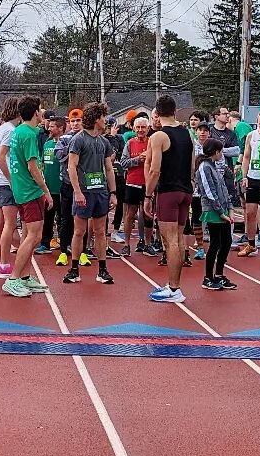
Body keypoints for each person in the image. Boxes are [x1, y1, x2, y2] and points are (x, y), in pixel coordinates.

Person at [142, 95, 195, 303]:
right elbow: (192, 165)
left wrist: (148, 195)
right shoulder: (188, 134)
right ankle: (174, 286)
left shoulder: (158, 137)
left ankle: (174, 288)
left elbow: (154, 170)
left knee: (170, 240)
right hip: (185, 190)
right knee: (179, 239)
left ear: (156, 113)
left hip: (168, 192)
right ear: (175, 111)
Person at [4, 96, 51, 298]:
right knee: (34, 236)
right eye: (40, 109)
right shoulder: (28, 135)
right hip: (30, 191)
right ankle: (13, 279)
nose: (42, 113)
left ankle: (24, 276)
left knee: (28, 235)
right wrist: (46, 191)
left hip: (23, 189)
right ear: (35, 113)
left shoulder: (19, 132)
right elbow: (33, 167)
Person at [64, 103, 116, 286]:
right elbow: (72, 166)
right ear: (96, 119)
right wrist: (77, 191)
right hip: (84, 192)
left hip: (100, 191)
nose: (105, 120)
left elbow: (109, 168)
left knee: (101, 232)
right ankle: (74, 269)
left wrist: (113, 193)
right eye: (103, 117)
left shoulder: (104, 142)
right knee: (79, 231)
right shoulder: (78, 140)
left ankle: (102, 270)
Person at [195, 138, 237, 290]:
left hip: (223, 209)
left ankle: (219, 274)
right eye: (221, 151)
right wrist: (220, 211)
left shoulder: (214, 166)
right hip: (213, 211)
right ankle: (208, 277)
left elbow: (224, 189)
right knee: (215, 243)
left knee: (226, 241)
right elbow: (209, 191)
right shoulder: (204, 167)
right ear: (216, 151)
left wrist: (230, 208)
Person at [0, 96, 21, 279]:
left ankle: (0, 262)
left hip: (1, 179)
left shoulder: (3, 128)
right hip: (6, 181)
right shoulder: (10, 130)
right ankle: (3, 263)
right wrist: (11, 180)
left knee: (1, 222)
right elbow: (1, 157)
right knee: (8, 223)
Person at [237, 110, 260, 256]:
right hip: (253, 177)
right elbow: (246, 156)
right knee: (250, 212)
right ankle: (251, 244)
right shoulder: (251, 135)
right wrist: (244, 176)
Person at [52, 110, 82, 266]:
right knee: (65, 218)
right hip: (67, 183)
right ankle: (63, 250)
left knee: (82, 219)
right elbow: (60, 156)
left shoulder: (88, 137)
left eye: (78, 120)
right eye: (73, 121)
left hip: (83, 185)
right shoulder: (63, 139)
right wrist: (74, 145)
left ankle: (82, 251)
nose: (75, 123)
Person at [120, 116, 152, 254]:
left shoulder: (152, 142)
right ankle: (126, 245)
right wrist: (137, 159)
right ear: (133, 128)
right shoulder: (130, 143)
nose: (140, 130)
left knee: (148, 214)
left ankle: (148, 244)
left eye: (143, 127)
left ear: (148, 129)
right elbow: (123, 163)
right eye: (138, 127)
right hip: (132, 183)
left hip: (149, 183)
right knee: (130, 214)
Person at [36, 113, 65, 254]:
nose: (49, 128)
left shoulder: (66, 143)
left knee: (63, 217)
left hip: (62, 188)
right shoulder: (47, 143)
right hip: (48, 188)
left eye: (53, 126)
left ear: (61, 128)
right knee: (47, 217)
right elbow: (42, 163)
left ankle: (64, 243)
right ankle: (45, 243)